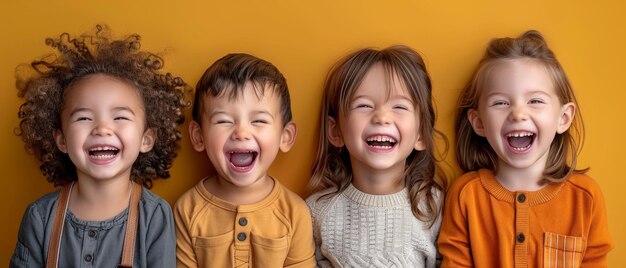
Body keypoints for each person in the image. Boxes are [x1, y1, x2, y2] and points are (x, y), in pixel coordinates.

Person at [10, 25, 188, 268]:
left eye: (120, 117)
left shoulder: (155, 217)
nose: (102, 129)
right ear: (61, 139)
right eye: (84, 118)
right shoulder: (40, 217)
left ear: (146, 139)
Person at [438, 30, 614, 267]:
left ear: (563, 118)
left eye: (535, 101)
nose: (518, 114)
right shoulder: (465, 195)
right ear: (479, 123)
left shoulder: (585, 197)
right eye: (501, 102)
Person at [306, 45, 448, 267]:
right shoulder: (317, 212)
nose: (382, 117)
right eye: (364, 105)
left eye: (399, 106)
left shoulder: (435, 207)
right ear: (335, 132)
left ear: (421, 133)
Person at [174, 53, 316, 267]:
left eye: (258, 120)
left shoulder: (295, 212)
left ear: (285, 136)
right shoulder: (187, 209)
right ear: (198, 136)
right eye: (223, 120)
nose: (241, 132)